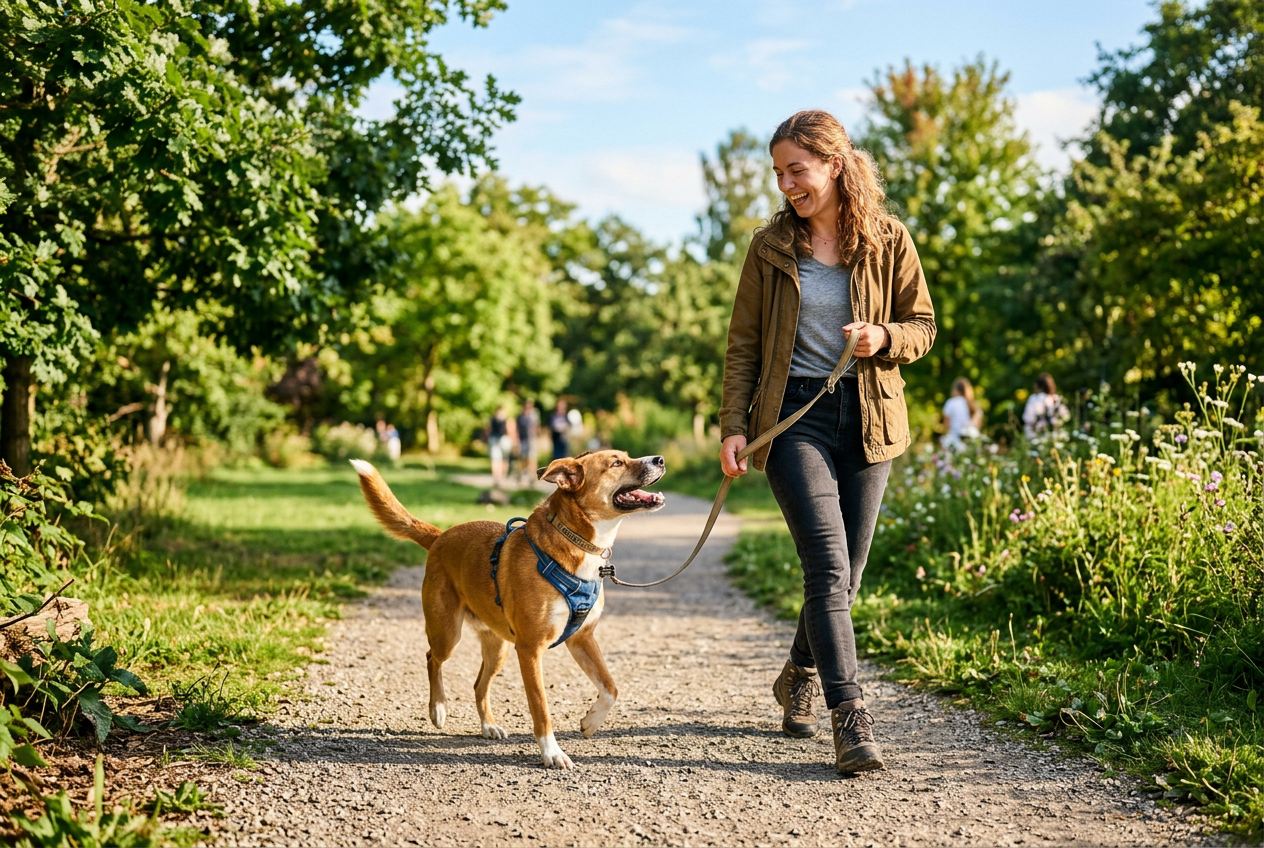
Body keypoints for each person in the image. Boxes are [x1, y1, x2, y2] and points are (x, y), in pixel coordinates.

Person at [718, 110, 935, 775]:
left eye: (797, 170)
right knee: (827, 570)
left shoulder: (889, 238)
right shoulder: (770, 247)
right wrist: (734, 425)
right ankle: (851, 715)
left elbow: (922, 326)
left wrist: (885, 339)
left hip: (869, 418)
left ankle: (798, 672)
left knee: (849, 574)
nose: (786, 184)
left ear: (834, 165)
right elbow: (744, 345)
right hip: (793, 421)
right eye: (779, 173)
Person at [1022, 373, 1069, 440]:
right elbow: (1066, 416)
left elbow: (1028, 418)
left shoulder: (1034, 399)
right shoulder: (1057, 399)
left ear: (1038, 386)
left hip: (1037, 437)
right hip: (1057, 436)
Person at [940, 377, 982, 451]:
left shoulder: (951, 402)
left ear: (956, 390)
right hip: (971, 441)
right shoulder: (974, 405)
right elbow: (977, 425)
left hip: (955, 441)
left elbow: (946, 424)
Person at [487, 406, 514, 486]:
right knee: (502, 459)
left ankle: (497, 477)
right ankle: (501, 477)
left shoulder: (493, 419)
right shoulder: (506, 419)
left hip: (496, 439)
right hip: (502, 440)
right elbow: (510, 430)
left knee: (497, 459)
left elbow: (488, 429)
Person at [515, 398, 540, 482]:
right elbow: (517, 429)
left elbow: (536, 427)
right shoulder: (520, 416)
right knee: (522, 458)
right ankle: (520, 474)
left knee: (532, 458)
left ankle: (532, 476)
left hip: (531, 439)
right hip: (523, 440)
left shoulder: (534, 415)